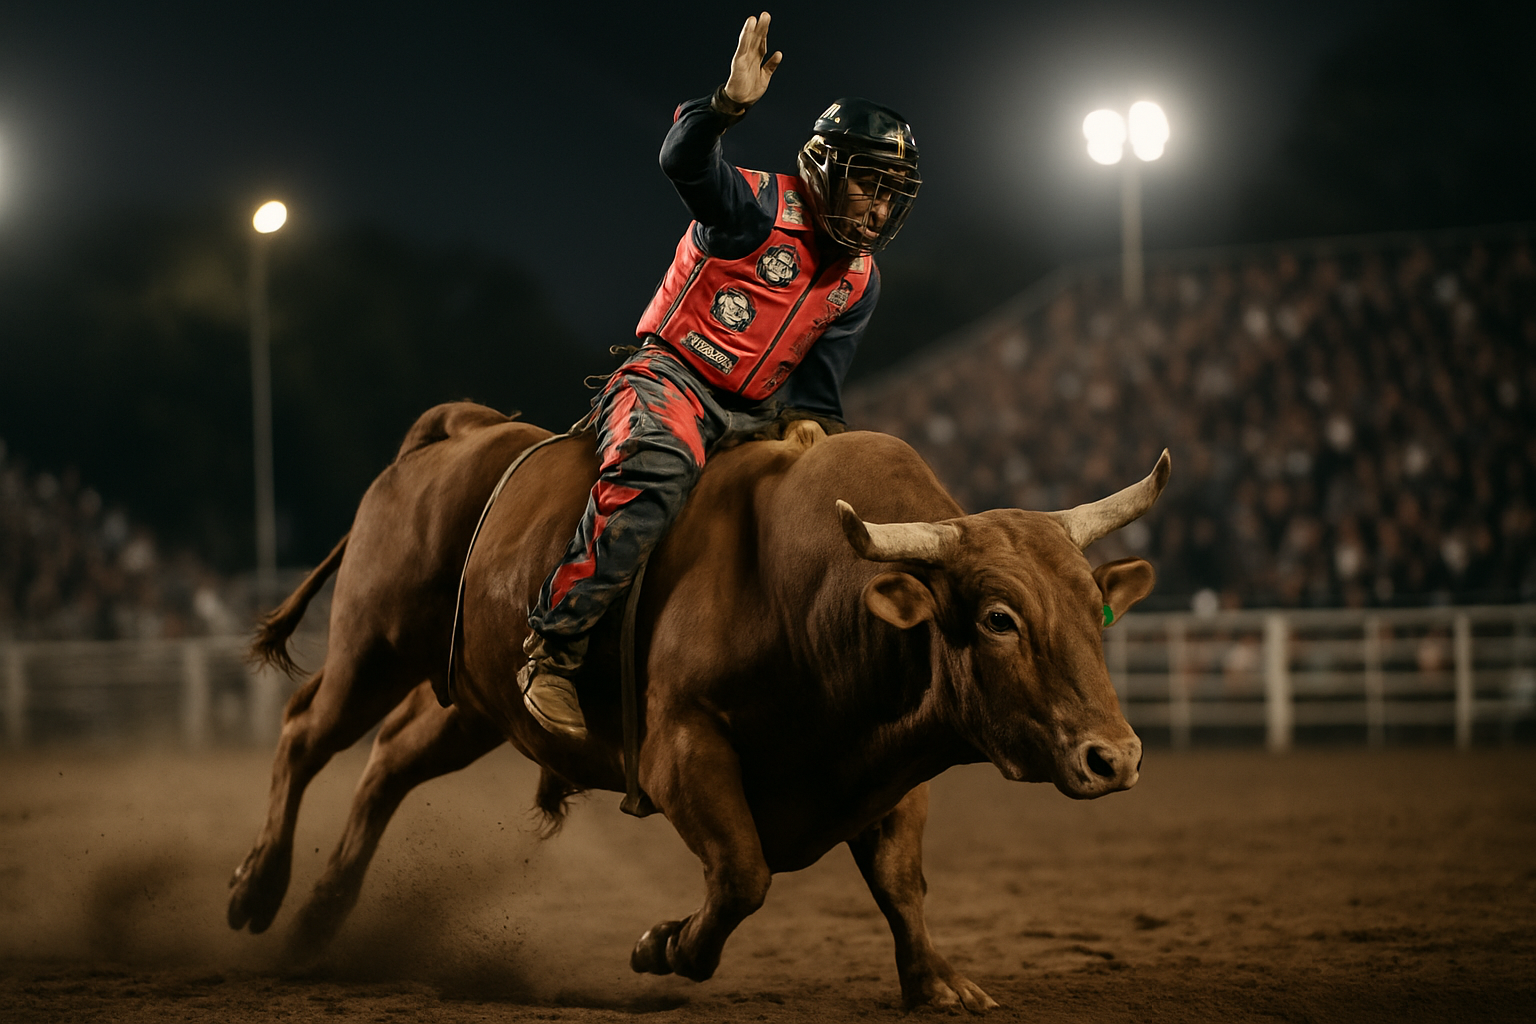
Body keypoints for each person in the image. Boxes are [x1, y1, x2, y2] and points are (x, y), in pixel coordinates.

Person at [519, 11, 921, 740]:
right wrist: (727, 105)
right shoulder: (755, 206)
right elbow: (682, 162)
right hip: (668, 379)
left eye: (893, 194)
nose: (880, 208)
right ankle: (555, 647)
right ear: (826, 169)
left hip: (755, 415)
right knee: (657, 471)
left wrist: (814, 437)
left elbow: (819, 398)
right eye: (869, 184)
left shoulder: (860, 281)